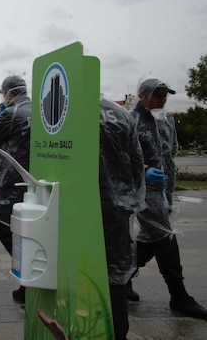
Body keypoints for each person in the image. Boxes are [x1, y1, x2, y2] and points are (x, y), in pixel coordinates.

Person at [128, 78, 207, 320]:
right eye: (158, 94)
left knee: (151, 238)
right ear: (142, 95)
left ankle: (120, 278)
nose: (162, 98)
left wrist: (169, 189)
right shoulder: (132, 120)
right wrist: (143, 170)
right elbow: (123, 157)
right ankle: (179, 296)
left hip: (163, 189)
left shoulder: (167, 118)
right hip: (144, 190)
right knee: (164, 236)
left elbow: (170, 152)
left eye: (165, 94)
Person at [0, 74, 31, 302]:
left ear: (9, 93)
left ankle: (29, 279)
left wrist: (1, 114)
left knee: (8, 231)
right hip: (35, 182)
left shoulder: (11, 113)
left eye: (3, 94)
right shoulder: (39, 111)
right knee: (33, 232)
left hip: (13, 184)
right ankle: (31, 278)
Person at [98, 97, 145, 339]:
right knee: (113, 274)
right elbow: (136, 162)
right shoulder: (120, 113)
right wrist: (130, 199)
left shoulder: (61, 112)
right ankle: (117, 331)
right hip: (117, 206)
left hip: (73, 206)